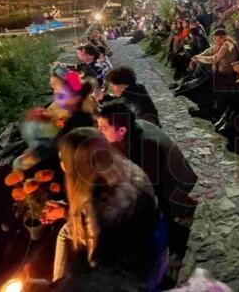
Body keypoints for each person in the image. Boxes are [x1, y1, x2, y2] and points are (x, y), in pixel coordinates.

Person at [42, 129, 168, 289]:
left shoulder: (97, 206)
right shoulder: (127, 170)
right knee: (66, 231)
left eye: (63, 158)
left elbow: (99, 267)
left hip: (137, 276)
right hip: (156, 250)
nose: (61, 163)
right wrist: (65, 212)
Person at [96, 102, 198, 256]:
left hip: (176, 196)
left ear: (122, 130)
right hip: (165, 185)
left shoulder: (146, 147)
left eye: (103, 128)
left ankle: (175, 245)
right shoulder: (136, 126)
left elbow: (151, 193)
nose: (98, 132)